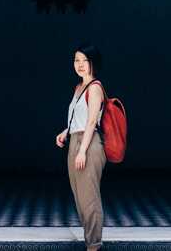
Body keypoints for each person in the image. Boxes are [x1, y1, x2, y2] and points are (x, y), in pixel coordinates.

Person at [55, 46, 106, 251]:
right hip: (76, 141)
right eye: (77, 60)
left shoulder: (94, 87)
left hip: (89, 143)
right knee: (79, 196)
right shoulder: (79, 88)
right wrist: (66, 132)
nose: (80, 65)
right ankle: (90, 242)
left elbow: (92, 121)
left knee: (89, 198)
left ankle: (94, 245)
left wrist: (83, 150)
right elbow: (80, 119)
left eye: (85, 60)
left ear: (93, 63)